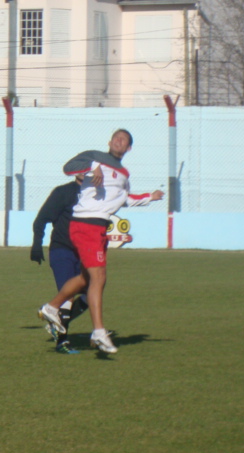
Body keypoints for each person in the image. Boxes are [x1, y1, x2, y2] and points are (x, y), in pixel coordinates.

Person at [38, 129, 164, 354]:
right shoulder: (94, 157)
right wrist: (92, 167)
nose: (118, 140)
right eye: (116, 137)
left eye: (123, 139)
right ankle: (98, 332)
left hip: (98, 227)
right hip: (86, 223)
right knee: (99, 277)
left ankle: (52, 307)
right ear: (109, 141)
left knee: (86, 278)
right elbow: (68, 168)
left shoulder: (124, 174)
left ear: (128, 148)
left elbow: (125, 199)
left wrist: (150, 197)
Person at [31, 175, 89, 354]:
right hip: (62, 250)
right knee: (67, 295)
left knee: (91, 294)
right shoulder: (63, 192)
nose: (84, 171)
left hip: (84, 252)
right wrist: (37, 244)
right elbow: (41, 218)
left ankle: (55, 320)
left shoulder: (94, 192)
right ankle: (62, 342)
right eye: (81, 168)